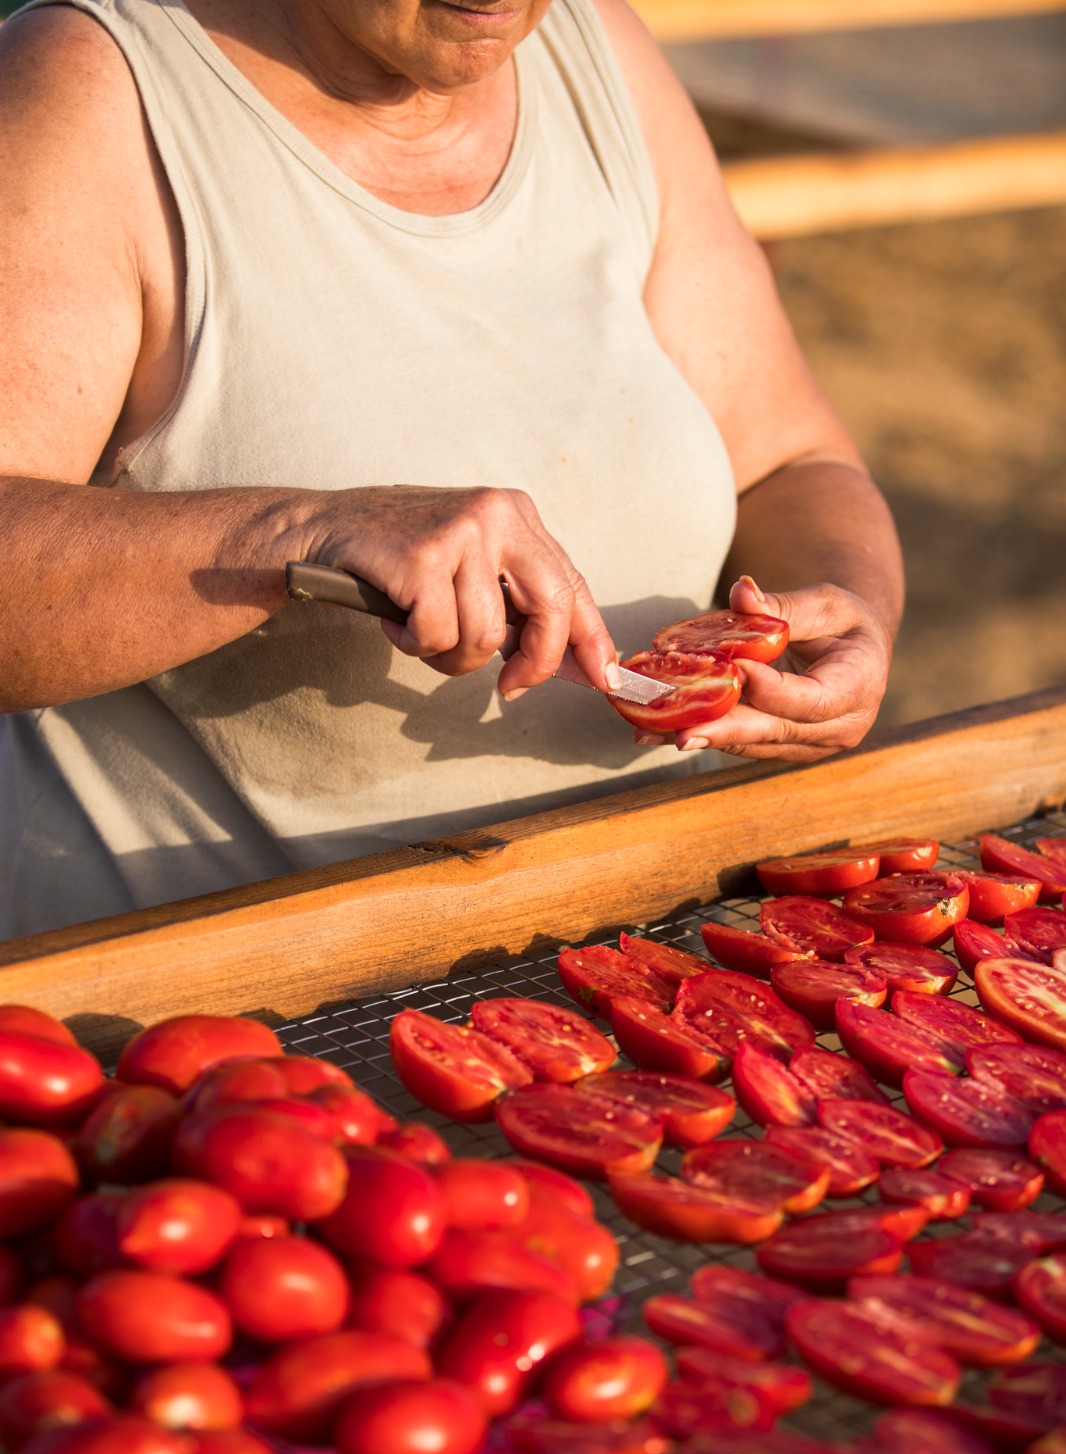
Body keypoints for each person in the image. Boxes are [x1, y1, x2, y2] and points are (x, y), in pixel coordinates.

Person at [0, 0, 904, 941]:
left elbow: (791, 459)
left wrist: (852, 605)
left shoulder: (598, 55)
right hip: (217, 1005)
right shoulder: (96, 89)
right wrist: (293, 535)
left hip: (636, 968)